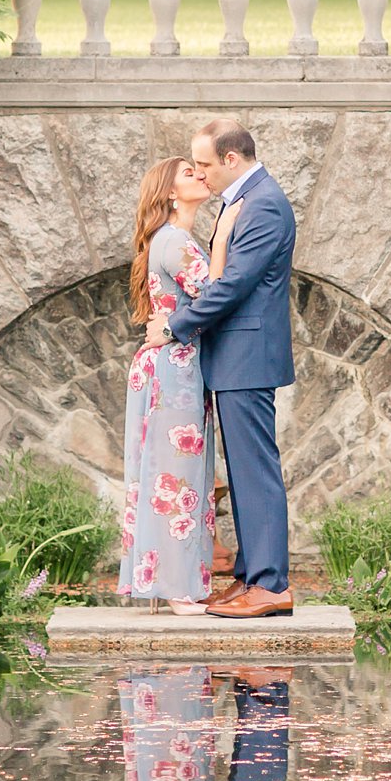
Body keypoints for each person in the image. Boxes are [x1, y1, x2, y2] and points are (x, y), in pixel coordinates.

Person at [147, 120, 297, 620]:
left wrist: (172, 327)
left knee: (256, 471)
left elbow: (232, 285)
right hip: (233, 357)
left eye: (206, 164)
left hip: (247, 357)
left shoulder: (264, 205)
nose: (202, 174)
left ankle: (271, 586)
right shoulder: (241, 202)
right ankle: (251, 577)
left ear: (231, 159)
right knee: (245, 470)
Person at [118, 155, 244, 614]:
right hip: (174, 369)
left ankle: (168, 584)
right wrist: (226, 237)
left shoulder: (170, 240)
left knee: (167, 474)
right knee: (176, 477)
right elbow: (216, 296)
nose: (200, 175)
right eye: (189, 173)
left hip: (171, 365)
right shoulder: (174, 242)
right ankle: (174, 589)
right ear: (170, 193)